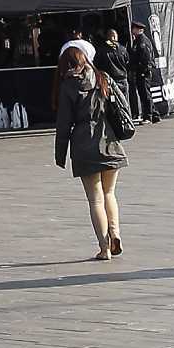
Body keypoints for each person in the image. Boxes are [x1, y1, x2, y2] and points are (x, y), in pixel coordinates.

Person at [53, 40, 127, 260]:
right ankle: (115, 233)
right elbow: (123, 105)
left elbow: (63, 123)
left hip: (83, 144)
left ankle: (104, 248)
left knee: (95, 200)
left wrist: (60, 154)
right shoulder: (103, 77)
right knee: (109, 193)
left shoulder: (68, 86)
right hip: (109, 141)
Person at [129, 21, 159, 123]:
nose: (132, 30)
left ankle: (148, 116)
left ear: (138, 29)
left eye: (133, 28)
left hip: (143, 72)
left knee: (145, 94)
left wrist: (143, 71)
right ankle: (154, 114)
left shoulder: (142, 42)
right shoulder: (139, 40)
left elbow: (145, 59)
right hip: (142, 71)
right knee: (146, 94)